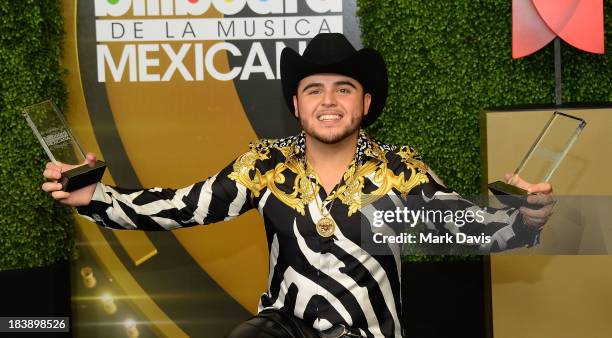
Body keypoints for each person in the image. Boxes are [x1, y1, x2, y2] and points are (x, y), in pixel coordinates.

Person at [42, 33, 554, 338]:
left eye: (343, 88)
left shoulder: (398, 170)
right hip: (284, 329)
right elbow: (184, 205)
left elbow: (466, 226)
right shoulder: (264, 165)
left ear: (365, 103)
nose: (328, 100)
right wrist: (95, 198)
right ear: (296, 104)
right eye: (314, 89)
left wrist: (526, 217)